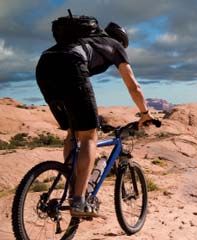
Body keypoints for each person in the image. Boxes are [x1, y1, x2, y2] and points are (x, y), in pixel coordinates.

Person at [36, 22, 153, 217]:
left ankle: (73, 180)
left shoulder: (85, 40)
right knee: (90, 136)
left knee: (73, 131)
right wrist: (145, 113)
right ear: (122, 42)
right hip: (70, 65)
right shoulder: (115, 46)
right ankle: (79, 201)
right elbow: (133, 86)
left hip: (44, 66)